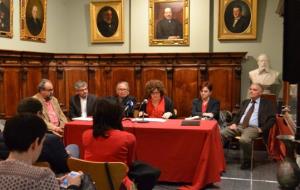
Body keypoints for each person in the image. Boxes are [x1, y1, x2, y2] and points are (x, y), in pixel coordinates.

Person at [0, 114, 82, 189]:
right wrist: (73, 185)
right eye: (42, 142)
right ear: (35, 144)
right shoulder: (42, 176)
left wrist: (54, 181)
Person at [0, 97, 79, 174]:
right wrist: (66, 154)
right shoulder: (49, 140)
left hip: (8, 174)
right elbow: (64, 167)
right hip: (55, 176)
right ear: (39, 113)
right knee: (73, 147)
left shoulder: (3, 137)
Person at [82, 98, 136, 188]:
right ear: (118, 116)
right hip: (118, 184)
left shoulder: (86, 135)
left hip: (92, 183)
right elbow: (129, 164)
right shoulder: (128, 138)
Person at [221, 83, 276, 170]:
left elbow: (272, 119)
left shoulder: (267, 104)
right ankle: (218, 158)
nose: (251, 91)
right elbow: (237, 116)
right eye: (250, 89)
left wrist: (262, 129)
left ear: (260, 92)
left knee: (244, 140)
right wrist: (234, 123)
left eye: (254, 90)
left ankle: (248, 160)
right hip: (239, 126)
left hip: (253, 128)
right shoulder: (245, 102)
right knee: (221, 133)